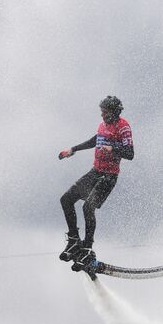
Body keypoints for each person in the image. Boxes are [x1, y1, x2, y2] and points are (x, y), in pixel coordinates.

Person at [57, 95, 134, 272]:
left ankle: (88, 248)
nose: (102, 115)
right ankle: (74, 240)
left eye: (105, 112)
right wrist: (73, 150)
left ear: (114, 112)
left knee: (88, 207)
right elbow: (95, 140)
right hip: (95, 172)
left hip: (109, 176)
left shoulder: (123, 127)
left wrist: (113, 149)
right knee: (66, 199)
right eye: (101, 112)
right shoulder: (103, 126)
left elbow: (130, 153)